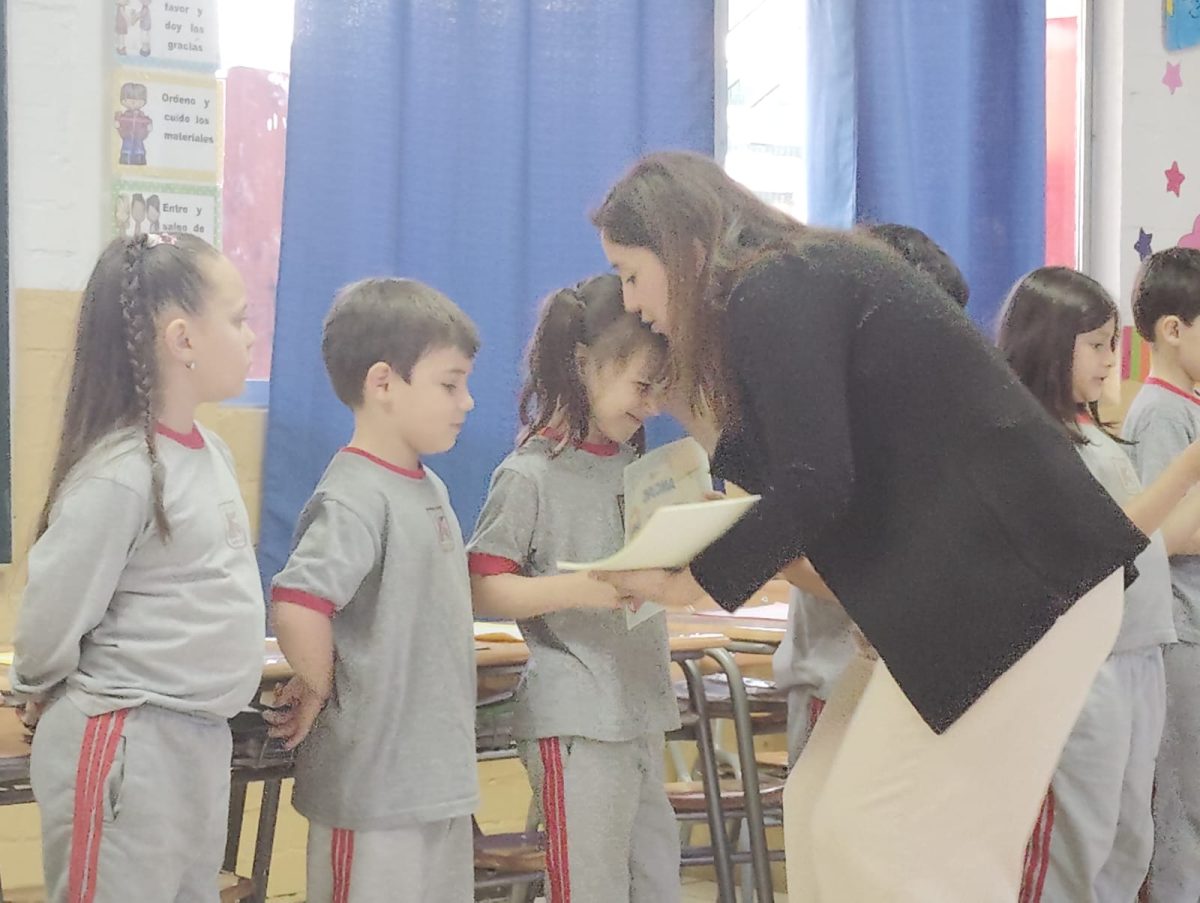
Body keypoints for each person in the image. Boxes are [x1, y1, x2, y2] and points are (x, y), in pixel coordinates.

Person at [588, 150, 1146, 901]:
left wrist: (692, 578)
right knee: (819, 809)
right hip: (986, 588)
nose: (631, 302)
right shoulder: (789, 282)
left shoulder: (774, 284)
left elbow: (818, 483)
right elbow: (820, 480)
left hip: (1026, 582)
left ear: (685, 249)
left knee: (880, 837)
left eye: (632, 273)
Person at [9, 232, 263, 902]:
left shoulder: (209, 453)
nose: (250, 334)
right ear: (183, 339)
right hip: (125, 744)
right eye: (237, 319)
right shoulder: (123, 472)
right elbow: (50, 615)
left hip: (197, 743)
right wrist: (35, 684)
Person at [266, 278, 481, 903]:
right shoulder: (355, 495)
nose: (466, 401)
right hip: (372, 788)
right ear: (383, 383)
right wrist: (319, 686)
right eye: (450, 383)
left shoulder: (428, 487)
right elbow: (299, 603)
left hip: (433, 782)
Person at [468, 275, 680, 903]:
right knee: (589, 887)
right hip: (576, 721)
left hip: (637, 709)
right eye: (642, 386)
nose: (652, 405)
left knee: (656, 881)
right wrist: (583, 587)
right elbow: (485, 589)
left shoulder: (635, 470)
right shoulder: (530, 473)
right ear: (583, 364)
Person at [997, 266, 1200, 901]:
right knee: (1077, 840)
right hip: (1087, 665)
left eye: (1114, 343)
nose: (1112, 360)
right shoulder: (1034, 440)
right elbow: (1119, 538)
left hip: (1139, 649)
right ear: (1048, 344)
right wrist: (1191, 465)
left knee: (1127, 834)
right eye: (1097, 345)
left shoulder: (1093, 432)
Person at [1121, 247, 1200, 902]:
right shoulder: (1164, 413)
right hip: (1180, 632)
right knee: (1181, 810)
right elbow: (1163, 534)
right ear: (1173, 329)